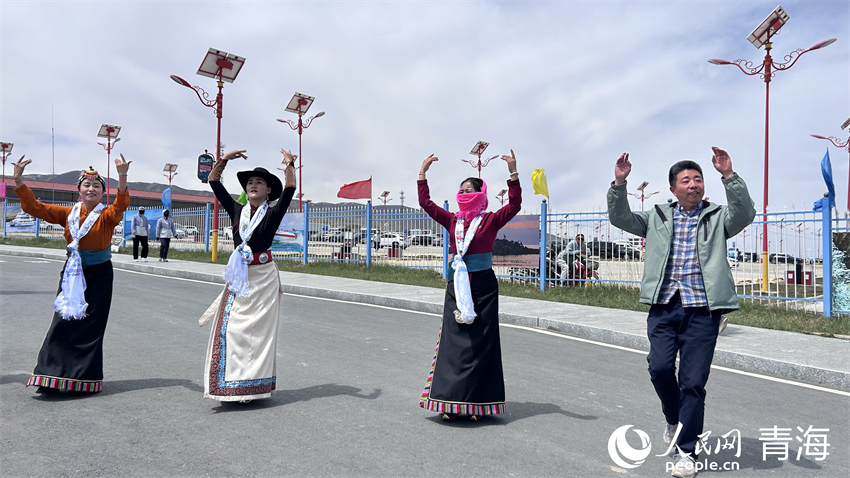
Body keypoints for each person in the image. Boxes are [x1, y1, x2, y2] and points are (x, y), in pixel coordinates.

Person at [607, 147, 755, 477]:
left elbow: (744, 214)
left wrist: (729, 176)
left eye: (698, 179)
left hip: (703, 310)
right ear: (673, 188)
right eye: (686, 180)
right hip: (664, 304)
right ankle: (673, 419)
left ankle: (686, 452)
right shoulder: (657, 216)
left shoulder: (718, 217)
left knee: (693, 382)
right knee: (659, 368)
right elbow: (620, 218)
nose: (693, 184)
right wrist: (619, 184)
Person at [12, 155, 131, 394]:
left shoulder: (107, 215)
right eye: (86, 185)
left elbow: (121, 205)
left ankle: (83, 380)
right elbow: (35, 207)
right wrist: (18, 180)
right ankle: (51, 376)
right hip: (72, 274)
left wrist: (122, 176)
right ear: (79, 191)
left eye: (96, 186)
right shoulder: (67, 214)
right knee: (62, 322)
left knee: (91, 327)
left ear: (101, 193)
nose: (91, 188)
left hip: (99, 276)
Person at [417, 150, 522, 421]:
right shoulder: (452, 220)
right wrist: (422, 174)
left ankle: (478, 403)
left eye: (469, 190)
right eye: (461, 190)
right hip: (457, 285)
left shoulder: (490, 220)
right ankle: (449, 402)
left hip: (484, 287)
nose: (464, 194)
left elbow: (514, 206)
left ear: (480, 194)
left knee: (480, 342)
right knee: (454, 342)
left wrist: (513, 173)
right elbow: (426, 203)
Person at [198, 148, 296, 403]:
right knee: (233, 329)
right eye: (250, 182)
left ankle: (253, 387)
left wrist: (289, 165)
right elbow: (214, 182)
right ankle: (233, 382)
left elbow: (290, 190)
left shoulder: (273, 212)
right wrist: (224, 160)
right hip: (241, 277)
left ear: (268, 191)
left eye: (259, 182)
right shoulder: (236, 209)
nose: (253, 185)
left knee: (259, 334)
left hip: (264, 278)